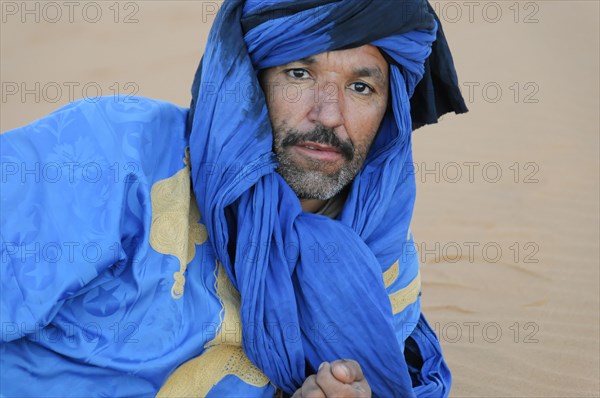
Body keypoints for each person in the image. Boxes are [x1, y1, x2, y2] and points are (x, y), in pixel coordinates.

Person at [0, 0, 467, 396]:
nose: (328, 114)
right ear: (246, 81)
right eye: (299, 73)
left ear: (390, 112)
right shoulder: (116, 156)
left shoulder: (381, 262)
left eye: (360, 87)